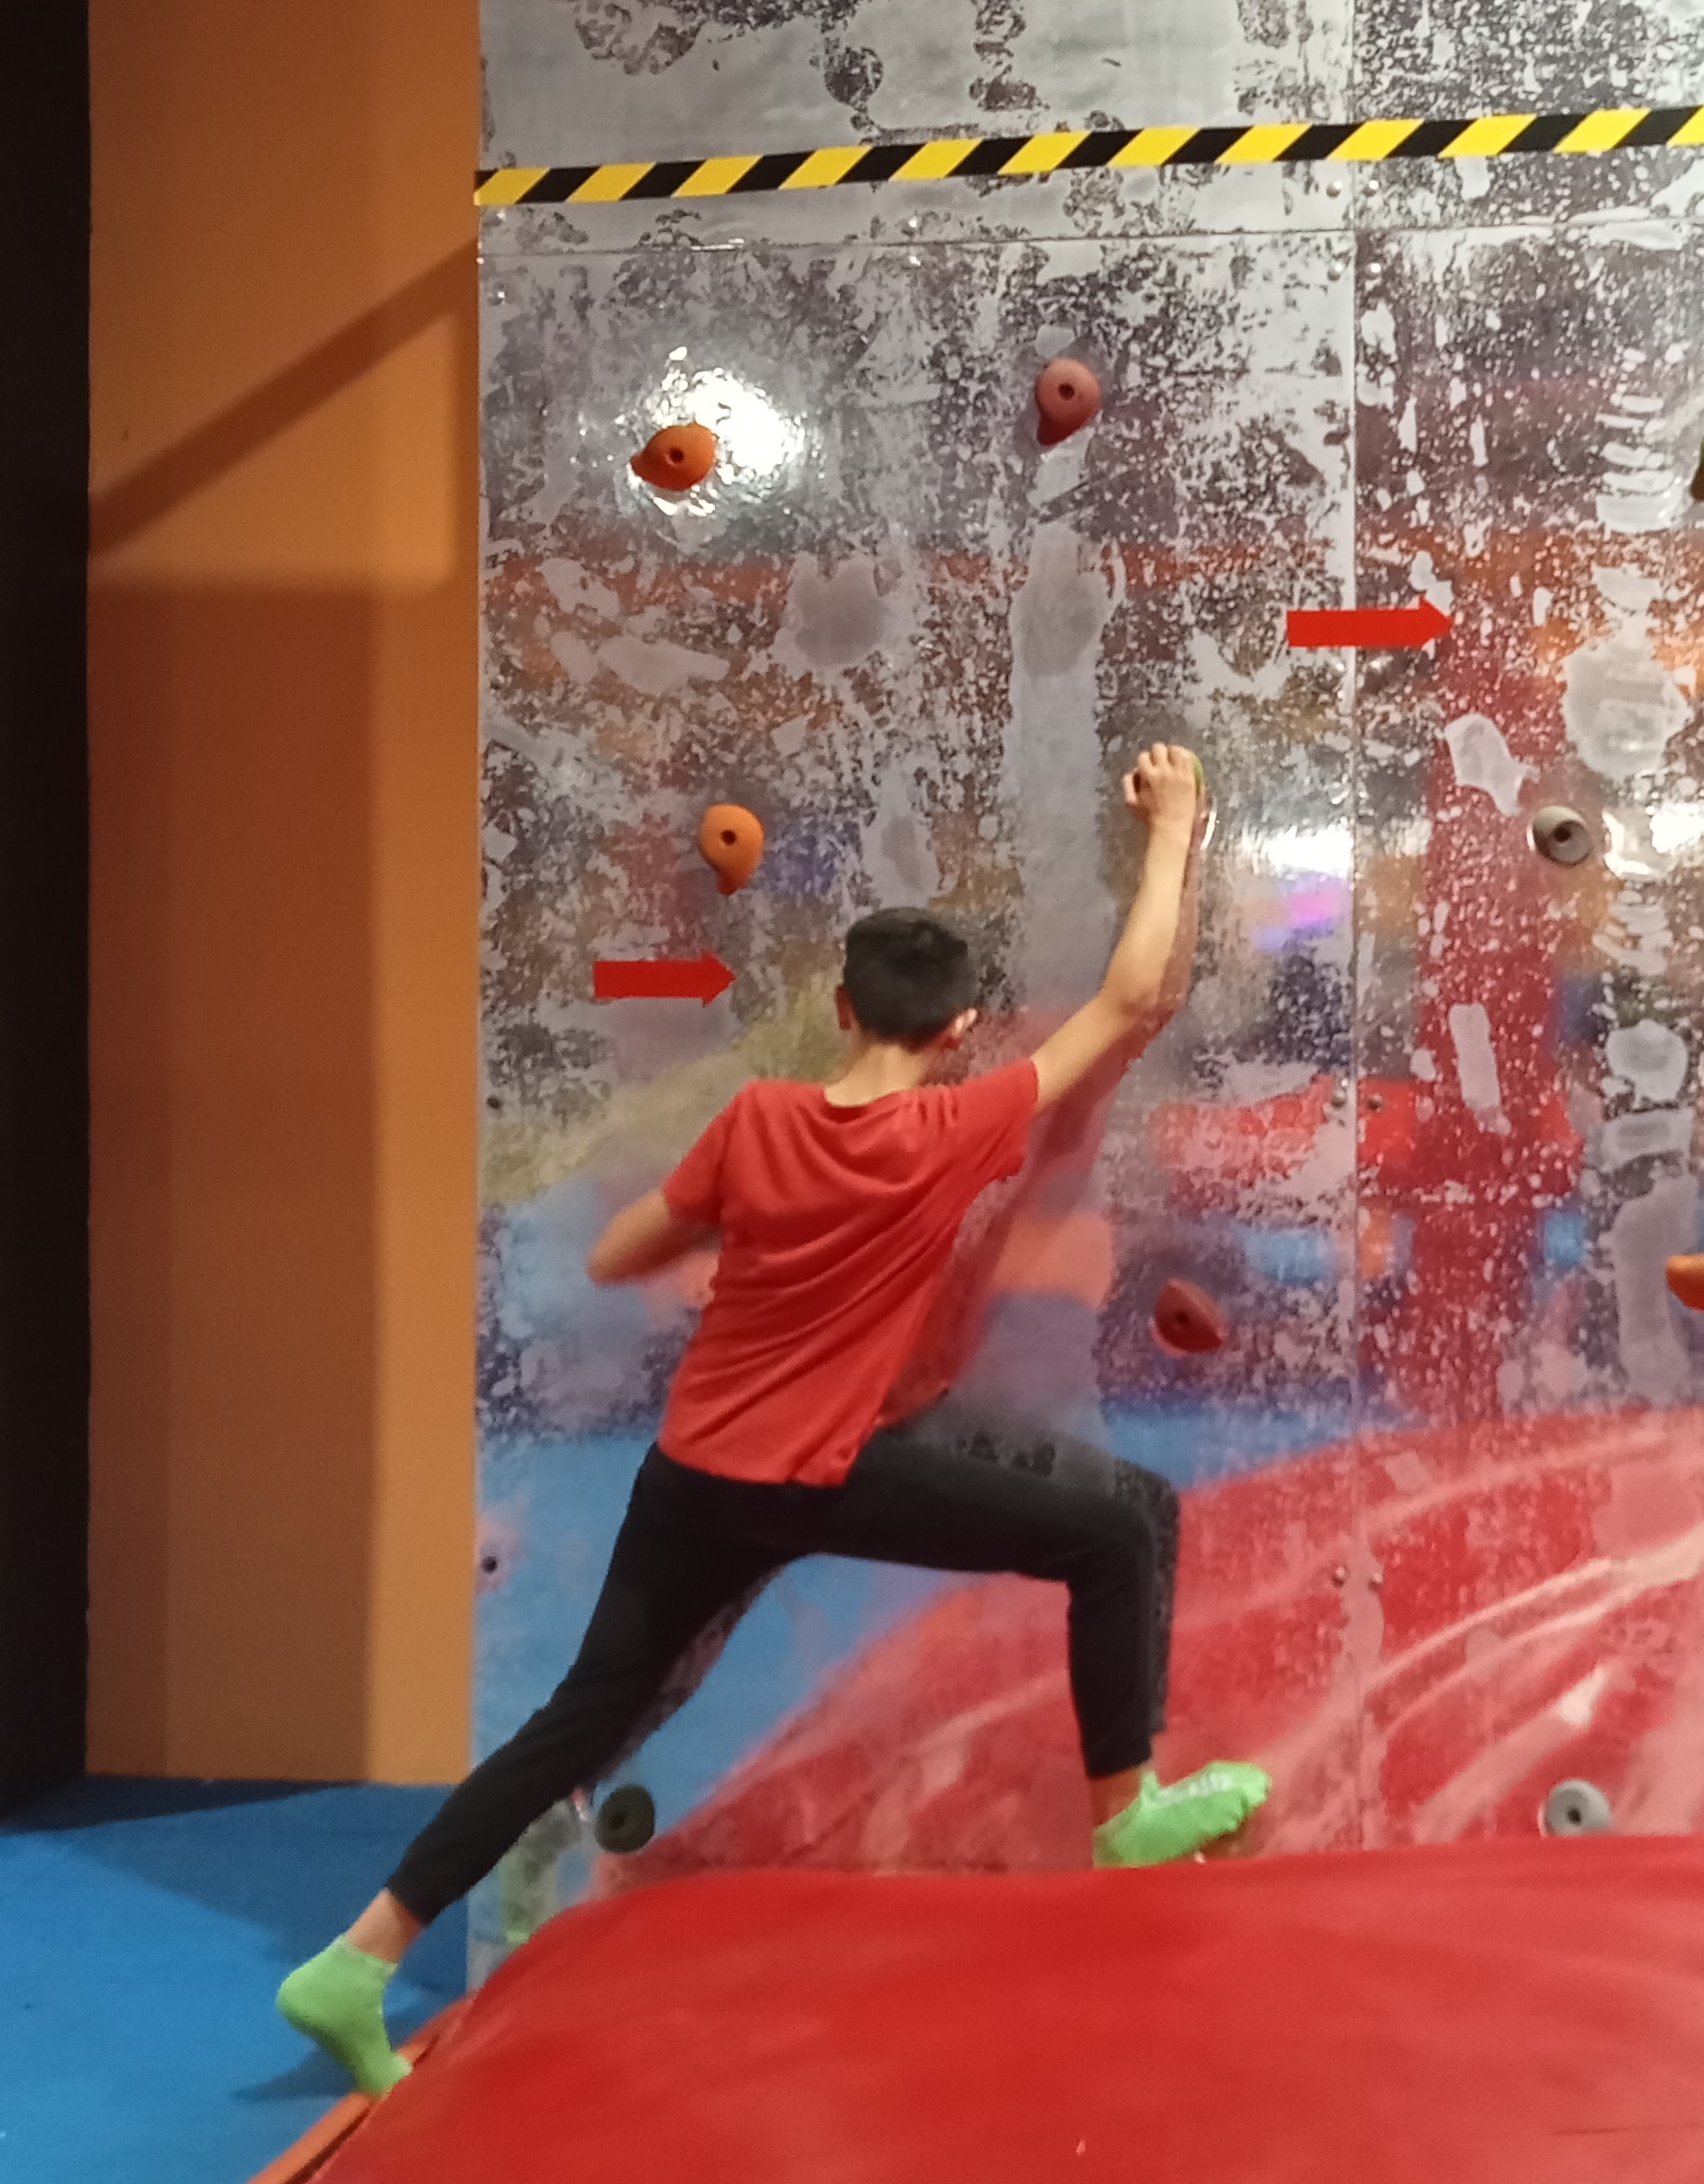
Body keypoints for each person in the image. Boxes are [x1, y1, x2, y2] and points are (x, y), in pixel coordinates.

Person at [276, 741, 1262, 2097]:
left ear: (840, 1008)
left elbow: (618, 1255)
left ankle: (357, 1960)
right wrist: (1174, 825)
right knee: (1119, 1530)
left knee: (580, 1716)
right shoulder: (953, 1130)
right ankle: (1125, 1814)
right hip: (825, 1472)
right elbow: (1133, 996)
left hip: (692, 1475)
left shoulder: (754, 1121)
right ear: (960, 1030)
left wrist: (742, 1236)